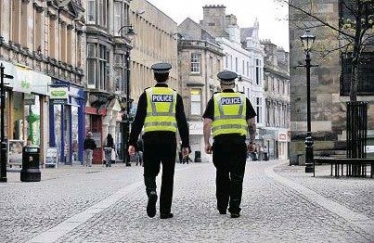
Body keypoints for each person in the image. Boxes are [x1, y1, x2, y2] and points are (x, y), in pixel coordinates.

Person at [128, 62, 190, 219]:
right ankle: (164, 211)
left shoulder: (146, 95)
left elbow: (138, 121)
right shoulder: (175, 95)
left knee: (149, 171)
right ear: (168, 77)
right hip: (169, 140)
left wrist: (132, 142)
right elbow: (182, 121)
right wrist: (186, 144)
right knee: (168, 176)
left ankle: (151, 191)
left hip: (150, 139)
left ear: (154, 76)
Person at [203, 70, 257, 218]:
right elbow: (252, 124)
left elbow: (207, 123)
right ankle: (234, 208)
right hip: (238, 143)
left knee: (221, 175)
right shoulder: (243, 99)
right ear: (234, 84)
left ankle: (221, 206)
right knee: (237, 176)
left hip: (220, 144)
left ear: (221, 84)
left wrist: (207, 142)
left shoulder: (215, 100)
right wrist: (252, 142)